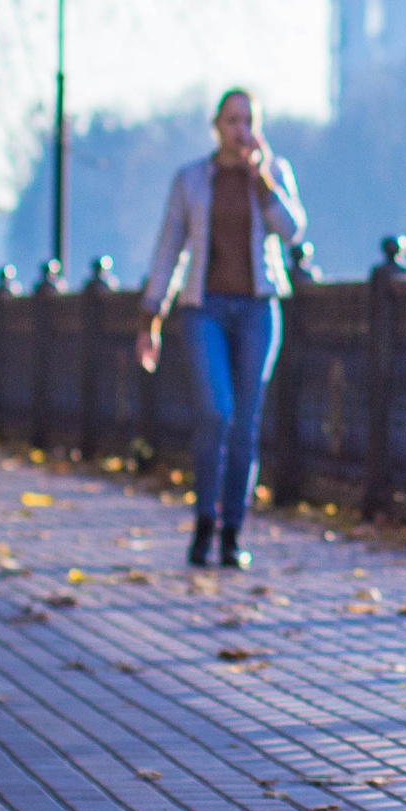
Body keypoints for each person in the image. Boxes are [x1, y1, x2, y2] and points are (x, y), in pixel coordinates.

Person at [135, 89, 307, 570]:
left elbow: (293, 231)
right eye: (232, 120)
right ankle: (203, 522)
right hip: (203, 308)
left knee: (247, 424)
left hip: (258, 309)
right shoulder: (191, 179)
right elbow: (169, 246)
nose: (240, 129)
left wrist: (263, 182)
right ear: (216, 125)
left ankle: (232, 532)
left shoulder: (274, 174)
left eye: (248, 120)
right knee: (216, 412)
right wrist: (150, 316)